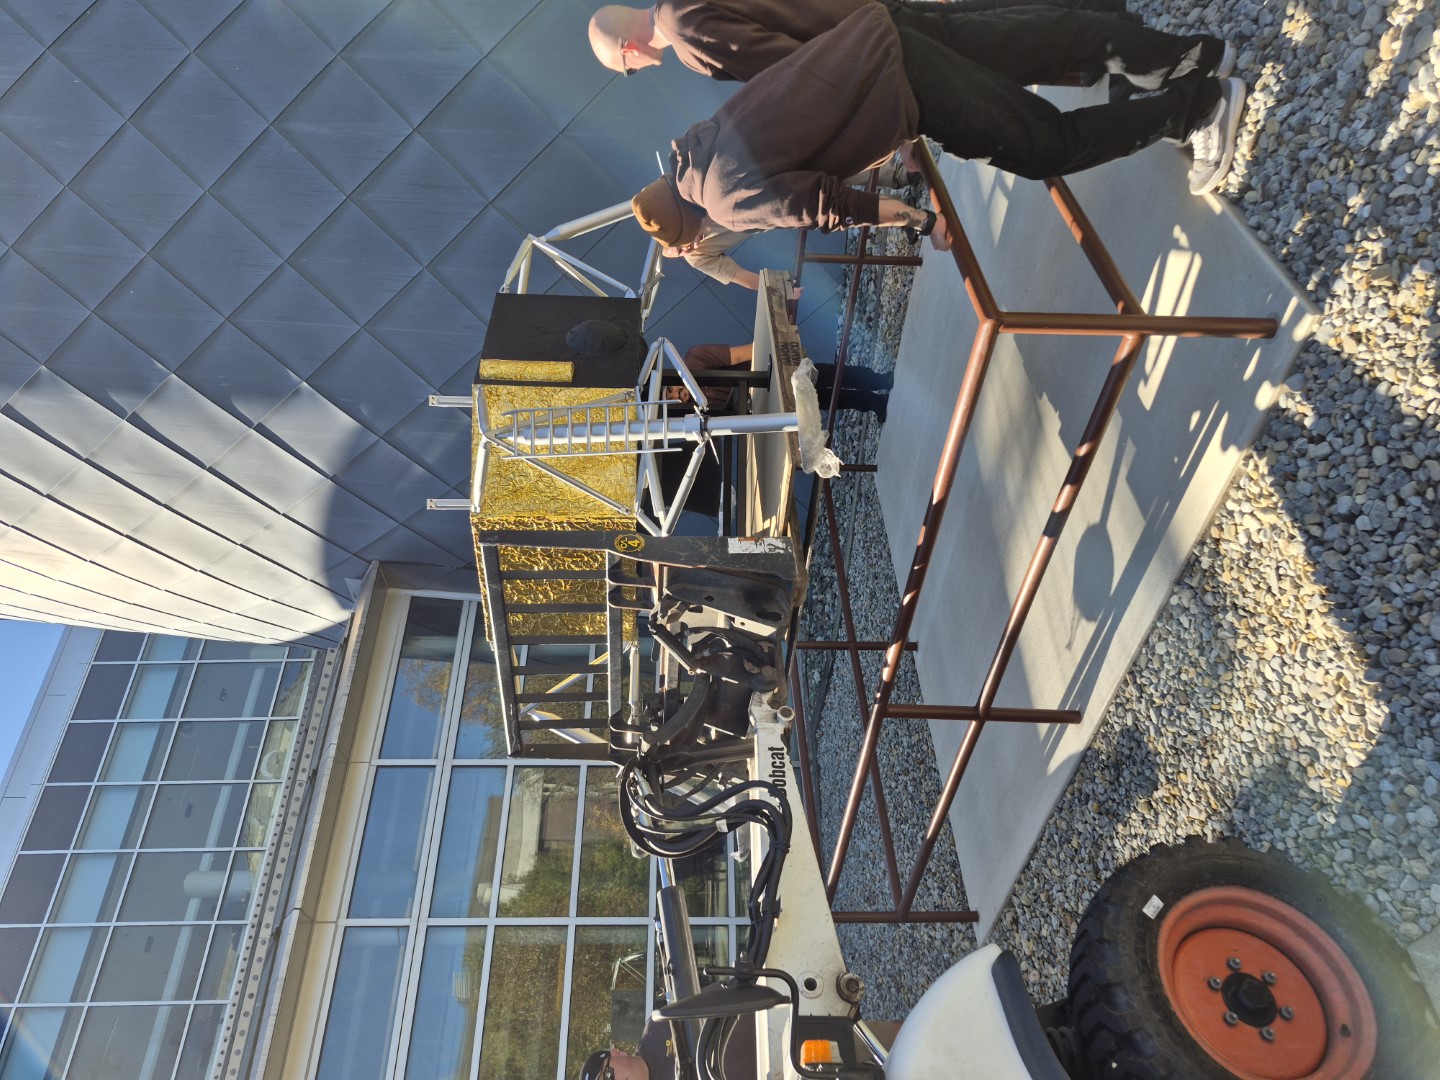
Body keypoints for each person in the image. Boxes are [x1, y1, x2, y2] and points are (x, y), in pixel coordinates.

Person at [628, 4, 1243, 264]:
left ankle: (1199, 109)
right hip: (878, 32)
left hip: (904, 86)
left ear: (692, 231)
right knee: (1030, 42)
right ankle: (1193, 58)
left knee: (1044, 146)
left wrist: (920, 224)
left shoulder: (725, 204)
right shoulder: (699, 143)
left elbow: (830, 206)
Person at [588, 0, 1134, 83]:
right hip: (858, 10)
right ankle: (1102, 22)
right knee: (979, 19)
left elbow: (791, 65)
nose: (639, 70)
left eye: (629, 69)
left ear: (630, 52)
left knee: (989, 51)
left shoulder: (688, 41)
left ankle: (1109, 51)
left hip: (863, 38)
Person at [671, 343, 891, 420]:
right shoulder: (693, 412)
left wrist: (777, 363)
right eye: (668, 397)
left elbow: (746, 352)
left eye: (669, 388)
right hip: (769, 403)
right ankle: (873, 403)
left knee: (827, 375)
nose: (675, 394)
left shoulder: (695, 358)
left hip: (774, 374)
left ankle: (878, 381)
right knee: (822, 400)